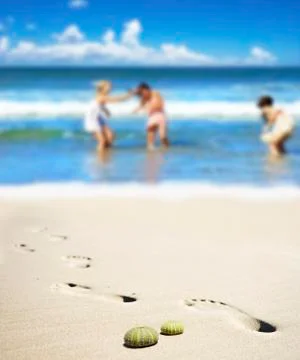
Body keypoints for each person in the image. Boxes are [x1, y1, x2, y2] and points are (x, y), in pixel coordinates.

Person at [84, 81, 133, 151]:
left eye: (111, 87)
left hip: (99, 118)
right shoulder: (101, 96)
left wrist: (105, 110)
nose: (111, 88)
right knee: (102, 141)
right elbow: (117, 99)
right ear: (103, 88)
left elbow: (98, 106)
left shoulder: (101, 96)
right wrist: (128, 95)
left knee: (111, 135)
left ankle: (107, 152)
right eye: (109, 87)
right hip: (92, 119)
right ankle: (100, 157)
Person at [133, 83, 169, 150]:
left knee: (162, 136)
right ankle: (150, 146)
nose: (143, 93)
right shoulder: (144, 97)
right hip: (152, 115)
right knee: (150, 129)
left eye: (143, 91)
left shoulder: (155, 93)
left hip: (160, 114)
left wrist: (138, 92)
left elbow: (159, 100)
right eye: (141, 92)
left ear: (147, 89)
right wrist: (136, 110)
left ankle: (166, 146)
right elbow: (141, 105)